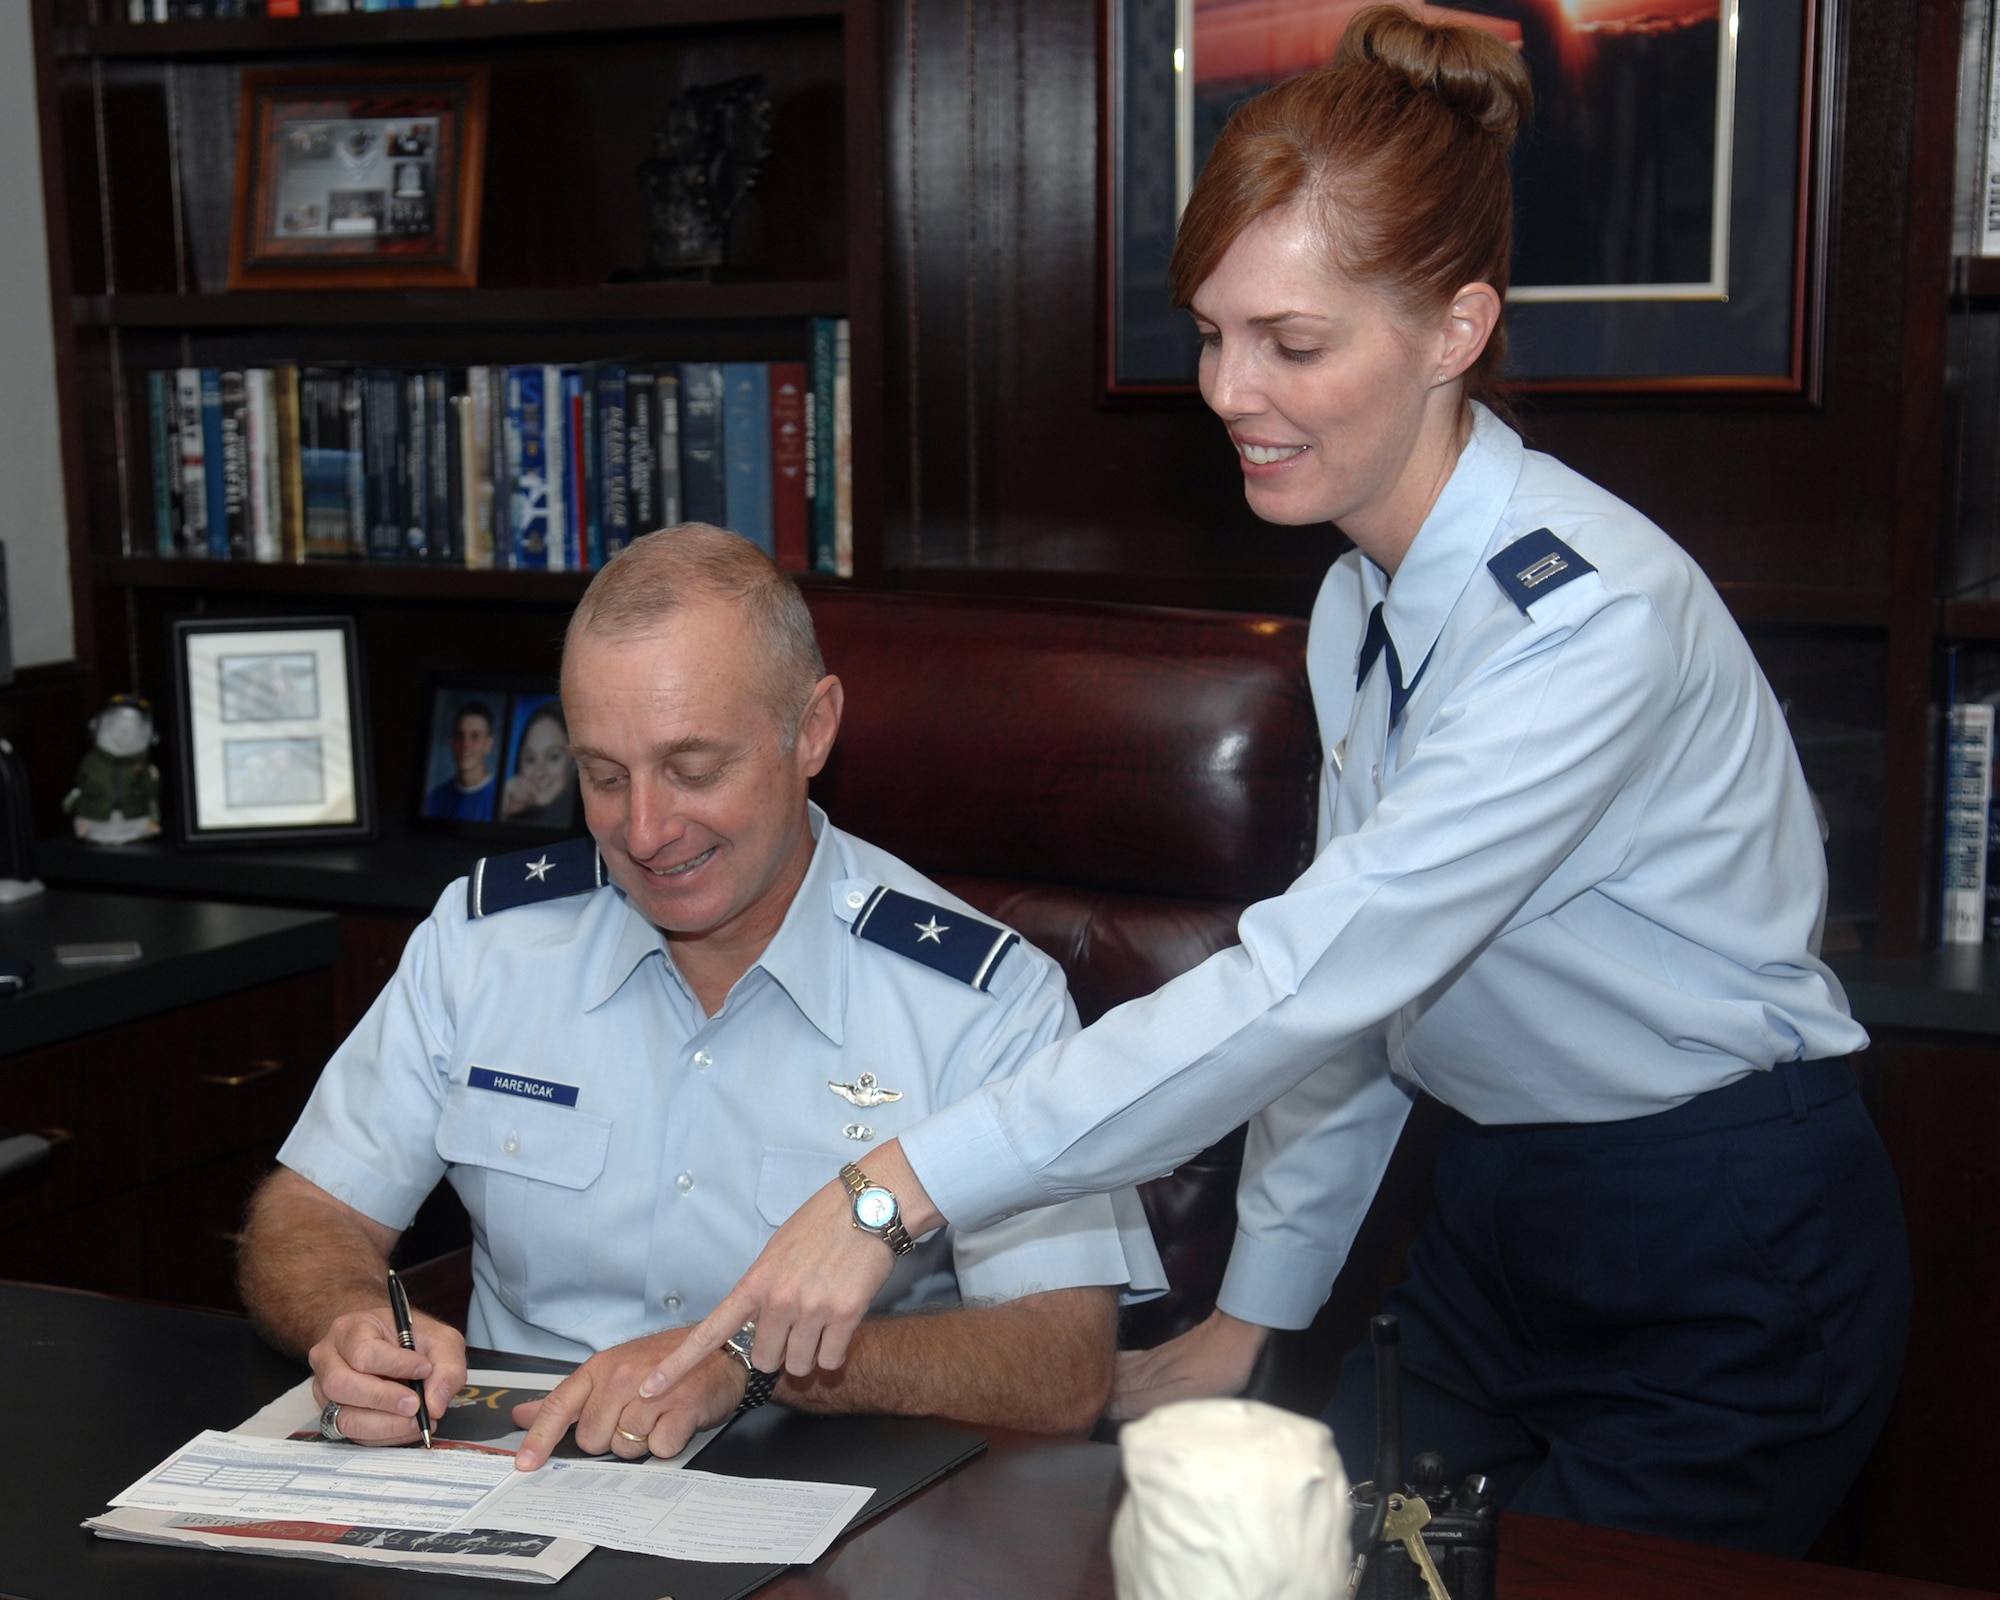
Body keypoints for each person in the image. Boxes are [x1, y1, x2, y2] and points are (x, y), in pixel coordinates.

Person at [641, 9, 1910, 1557]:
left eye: (1294, 344)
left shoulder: (1586, 625)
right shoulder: (1357, 601)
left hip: (1720, 1228)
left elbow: (1305, 983)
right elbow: (1370, 1012)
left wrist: (894, 1189)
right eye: (1213, 331)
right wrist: (1256, 1314)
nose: (1230, 389)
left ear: (1456, 330)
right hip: (1497, 1211)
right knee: (1304, 1571)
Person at [237, 524, 1163, 1470]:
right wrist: (351, 1318)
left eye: (693, 769)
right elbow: (313, 1211)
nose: (644, 830)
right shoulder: (485, 944)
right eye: (603, 775)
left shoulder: (980, 1001)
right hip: (518, 1472)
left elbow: (1061, 1364)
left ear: (812, 729)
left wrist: (755, 1363)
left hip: (839, 1498)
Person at [499, 700, 578, 828]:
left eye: (553, 757)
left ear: (575, 760)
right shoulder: (509, 814)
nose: (539, 773)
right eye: (530, 759)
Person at [425, 702, 497, 822]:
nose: (465, 744)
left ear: (489, 744)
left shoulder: (502, 798)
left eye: (475, 736)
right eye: (460, 735)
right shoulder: (434, 799)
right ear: (452, 742)